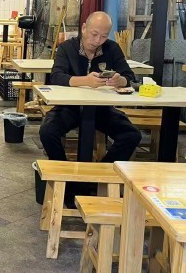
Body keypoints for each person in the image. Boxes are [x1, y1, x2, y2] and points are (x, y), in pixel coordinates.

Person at [39, 11, 142, 173]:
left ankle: (100, 174)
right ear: (84, 28)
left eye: (104, 36)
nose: (98, 40)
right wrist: (85, 81)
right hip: (69, 107)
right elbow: (56, 76)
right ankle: (63, 175)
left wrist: (120, 80)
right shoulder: (67, 48)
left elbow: (129, 76)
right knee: (47, 132)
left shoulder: (112, 48)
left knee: (132, 135)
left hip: (102, 108)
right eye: (94, 34)